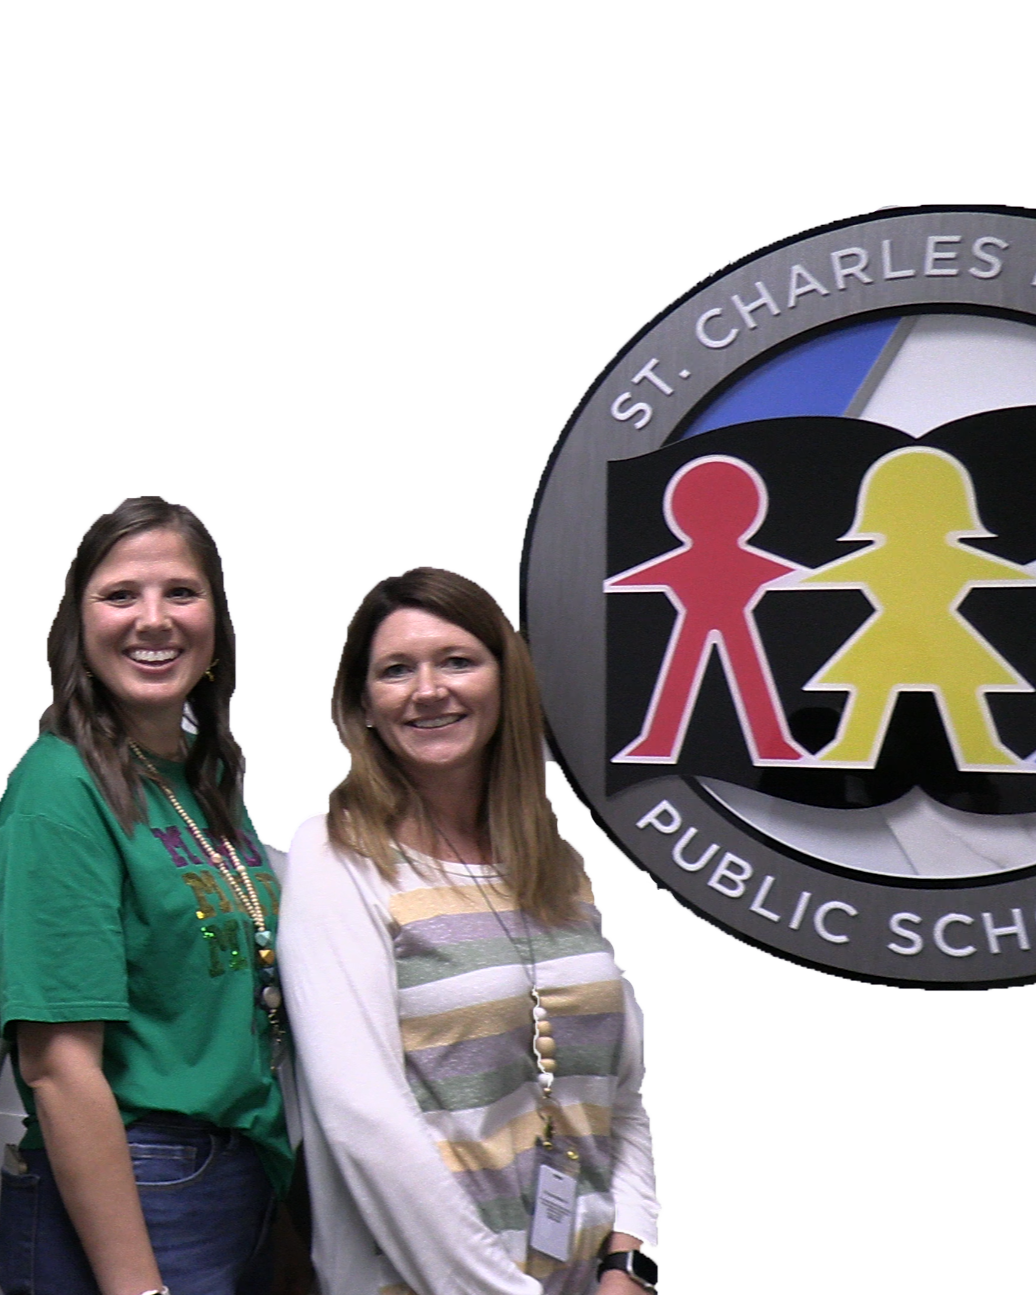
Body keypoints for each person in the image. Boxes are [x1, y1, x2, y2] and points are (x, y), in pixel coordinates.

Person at [280, 567, 659, 1295]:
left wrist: (629, 1262)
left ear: (504, 680)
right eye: (396, 670)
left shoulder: (554, 863)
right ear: (363, 704)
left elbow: (620, 1092)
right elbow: (364, 1124)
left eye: (457, 660)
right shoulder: (338, 860)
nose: (428, 689)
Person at [0, 497, 293, 1295]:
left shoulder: (207, 773)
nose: (153, 619)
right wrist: (140, 1289)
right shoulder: (58, 786)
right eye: (121, 593)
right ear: (78, 625)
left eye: (182, 593)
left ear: (217, 623)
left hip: (240, 1171)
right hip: (138, 1185)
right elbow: (58, 1066)